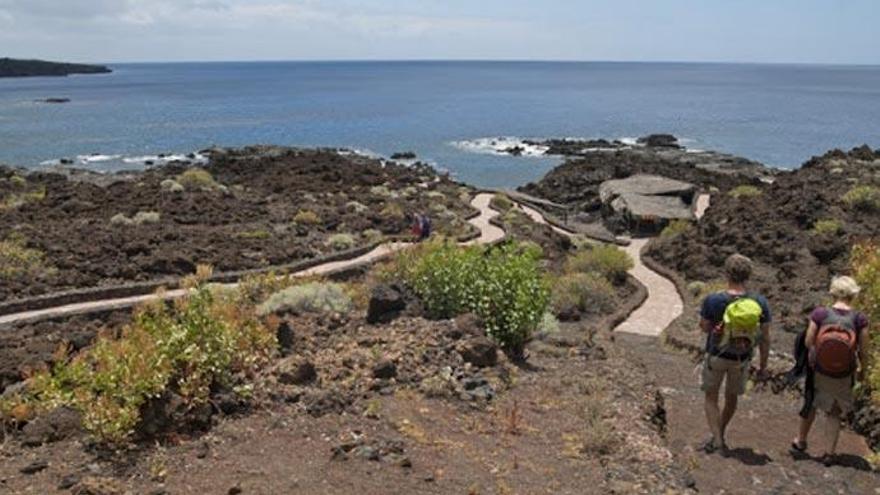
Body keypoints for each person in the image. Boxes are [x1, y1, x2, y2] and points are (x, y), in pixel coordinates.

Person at [791, 276, 870, 464]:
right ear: (853, 294)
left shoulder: (820, 314)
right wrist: (863, 370)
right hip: (844, 372)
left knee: (811, 402)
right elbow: (864, 350)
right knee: (834, 410)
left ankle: (801, 441)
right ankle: (829, 452)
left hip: (818, 368)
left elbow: (809, 341)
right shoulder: (860, 319)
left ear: (833, 292)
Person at [698, 254, 772, 453]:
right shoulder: (760, 302)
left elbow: (704, 327)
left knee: (710, 397)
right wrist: (764, 366)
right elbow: (765, 338)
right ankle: (720, 432)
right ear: (748, 276)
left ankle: (717, 439)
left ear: (726, 273)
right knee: (732, 398)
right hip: (741, 358)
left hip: (716, 355)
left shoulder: (713, 299)